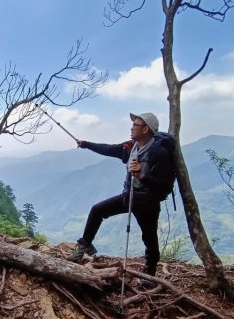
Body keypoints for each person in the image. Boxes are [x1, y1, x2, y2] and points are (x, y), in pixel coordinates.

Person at [67, 112, 174, 276]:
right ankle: (85, 245)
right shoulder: (132, 146)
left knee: (149, 238)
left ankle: (150, 272)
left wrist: (142, 176)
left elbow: (165, 185)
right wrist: (86, 144)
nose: (131, 128)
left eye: (135, 125)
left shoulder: (159, 153)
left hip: (148, 202)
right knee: (98, 210)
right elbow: (108, 149)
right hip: (130, 195)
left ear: (145, 129)